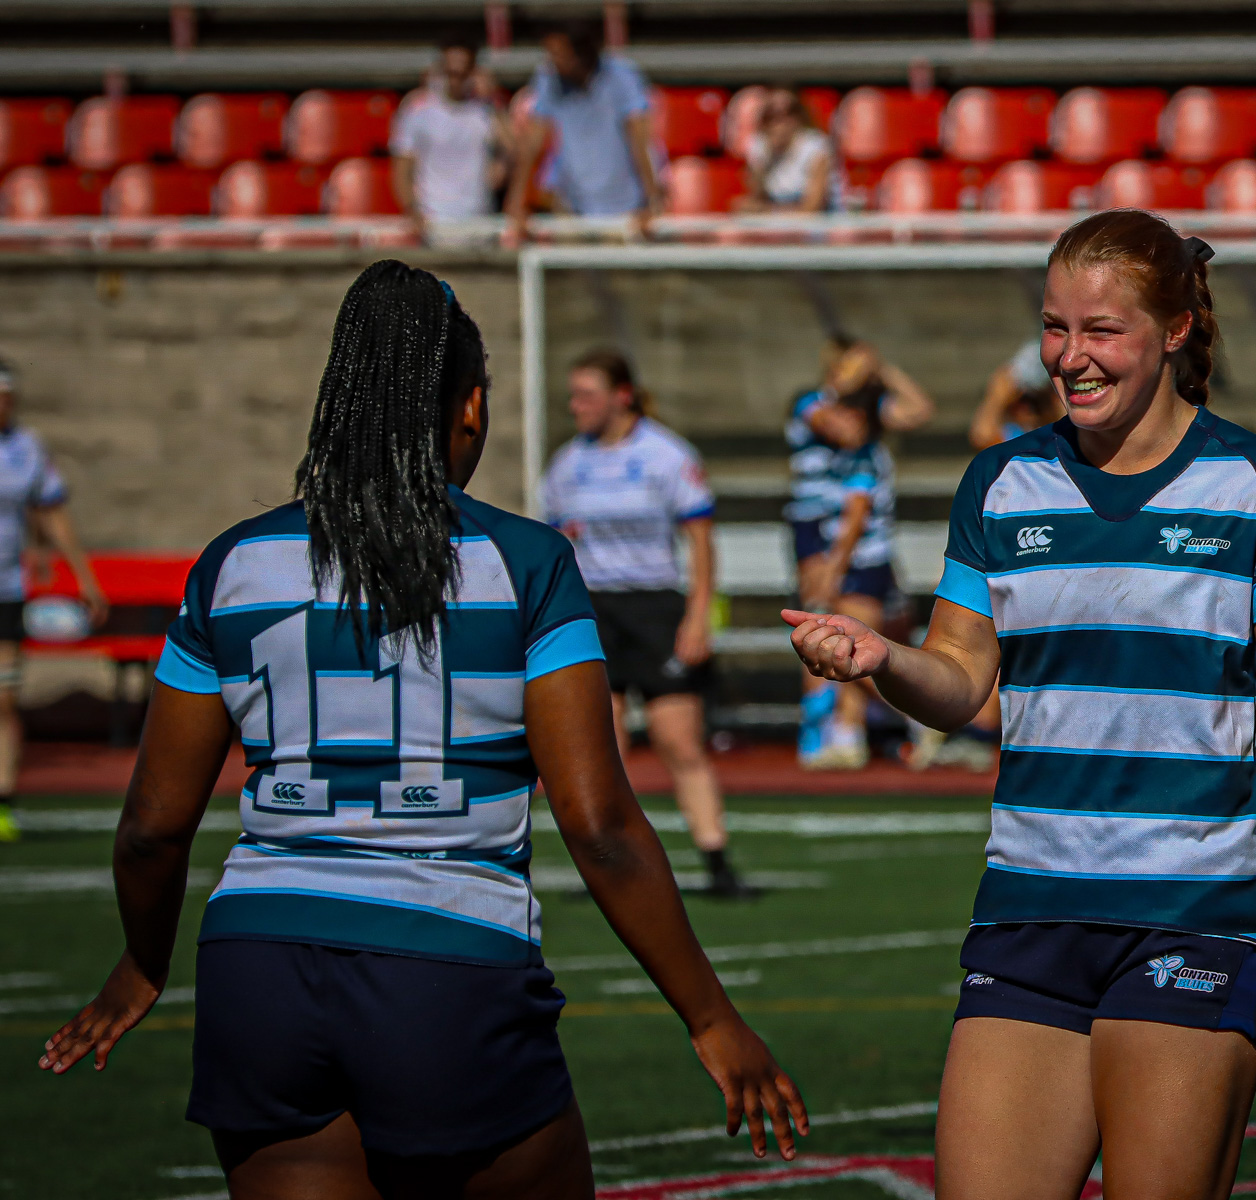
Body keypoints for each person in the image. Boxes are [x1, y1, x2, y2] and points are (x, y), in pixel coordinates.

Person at [37, 263, 806, 1193]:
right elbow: (600, 827)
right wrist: (713, 1019)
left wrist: (140, 964)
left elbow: (153, 826)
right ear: (470, 406)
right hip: (449, 961)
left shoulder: (232, 563)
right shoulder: (526, 564)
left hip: (259, 965)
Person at [784, 209, 1256, 1197]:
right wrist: (883, 659)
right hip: (1027, 911)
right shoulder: (1002, 483)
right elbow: (959, 681)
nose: (1068, 358)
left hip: (1190, 913)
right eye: (1054, 328)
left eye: (1100, 331)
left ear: (1174, 330)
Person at [540, 349, 753, 900]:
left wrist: (698, 617)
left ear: (622, 395)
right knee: (602, 747)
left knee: (678, 741)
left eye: (586, 393)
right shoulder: (568, 463)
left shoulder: (664, 453)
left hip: (655, 608)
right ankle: (614, 863)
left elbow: (701, 542)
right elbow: (555, 543)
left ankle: (716, 861)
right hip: (592, 609)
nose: (575, 405)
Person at [912, 339, 1066, 773]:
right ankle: (976, 733)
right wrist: (1001, 390)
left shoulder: (1061, 437)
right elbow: (982, 433)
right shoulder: (1013, 445)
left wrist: (1010, 389)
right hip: (1014, 549)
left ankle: (985, 735)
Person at [785, 338, 934, 769]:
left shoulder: (868, 449)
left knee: (853, 637)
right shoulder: (812, 402)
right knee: (821, 625)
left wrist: (882, 371)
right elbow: (843, 427)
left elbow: (919, 410)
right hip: (816, 530)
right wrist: (850, 387)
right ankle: (833, 729)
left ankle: (865, 729)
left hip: (860, 550)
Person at [0, 358, 106, 844]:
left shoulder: (26, 447)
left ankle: (3, 802)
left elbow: (49, 512)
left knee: (3, 698)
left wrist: (81, 576)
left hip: (6, 590)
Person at [506, 22, 661, 244]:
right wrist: (516, 201)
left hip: (625, 208)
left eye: (558, 54)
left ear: (580, 54)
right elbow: (533, 141)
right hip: (572, 208)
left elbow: (639, 139)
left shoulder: (622, 76)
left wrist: (651, 200)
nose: (551, 61)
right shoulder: (548, 77)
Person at [390, 33, 511, 238]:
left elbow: (514, 150)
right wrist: (413, 211)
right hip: (434, 223)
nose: (455, 80)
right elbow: (402, 169)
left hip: (479, 220)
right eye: (450, 72)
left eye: (462, 73)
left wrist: (493, 98)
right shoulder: (418, 111)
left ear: (474, 72)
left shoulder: (485, 111)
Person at [733, 86, 838, 213]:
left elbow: (812, 209)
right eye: (769, 115)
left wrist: (768, 212)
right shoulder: (759, 145)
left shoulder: (816, 147)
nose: (775, 123)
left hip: (818, 225)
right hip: (779, 221)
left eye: (783, 114)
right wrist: (764, 159)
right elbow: (756, 197)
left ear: (797, 117)